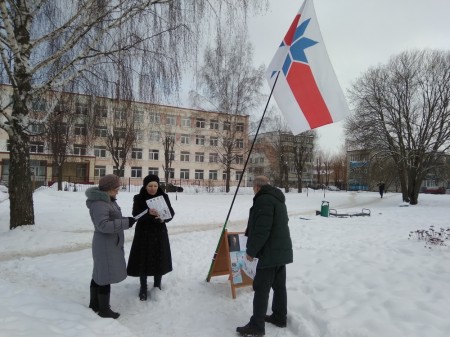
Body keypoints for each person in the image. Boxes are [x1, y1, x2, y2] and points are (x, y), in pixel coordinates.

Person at [236, 176, 293, 337]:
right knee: (279, 286)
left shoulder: (263, 200)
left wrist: (251, 251)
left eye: (253, 187)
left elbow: (262, 230)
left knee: (261, 288)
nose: (253, 190)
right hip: (281, 251)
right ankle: (279, 316)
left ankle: (257, 326)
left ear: (256, 187)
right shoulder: (278, 199)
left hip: (269, 253)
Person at [85, 174, 136, 319]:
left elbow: (112, 219)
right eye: (116, 189)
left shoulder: (108, 200)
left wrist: (126, 220)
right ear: (108, 189)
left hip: (109, 243)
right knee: (104, 276)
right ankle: (104, 310)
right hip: (105, 244)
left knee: (99, 274)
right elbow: (102, 225)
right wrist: (125, 223)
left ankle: (94, 304)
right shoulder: (100, 203)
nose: (118, 191)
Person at [127, 174, 175, 301]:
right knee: (143, 258)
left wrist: (164, 219)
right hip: (143, 233)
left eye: (155, 186)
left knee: (158, 257)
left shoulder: (164, 196)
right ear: (145, 186)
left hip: (159, 232)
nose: (153, 188)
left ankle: (157, 285)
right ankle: (143, 286)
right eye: (150, 186)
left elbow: (171, 213)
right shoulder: (139, 198)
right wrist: (147, 213)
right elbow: (135, 215)